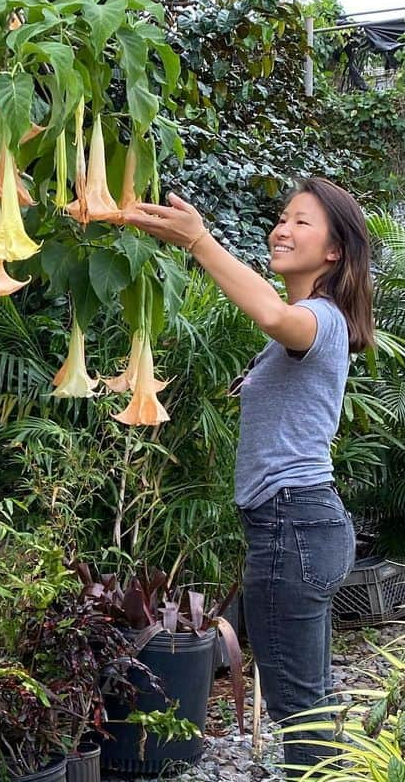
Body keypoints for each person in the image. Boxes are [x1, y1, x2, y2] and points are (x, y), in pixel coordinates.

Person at [123, 179, 374, 776]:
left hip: (294, 523)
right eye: (281, 218)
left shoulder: (321, 319)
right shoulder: (310, 322)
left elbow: (271, 313)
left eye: (301, 222)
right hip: (296, 523)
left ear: (335, 251)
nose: (282, 229)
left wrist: (199, 240)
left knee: (297, 704)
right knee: (308, 697)